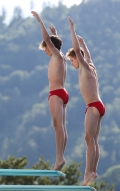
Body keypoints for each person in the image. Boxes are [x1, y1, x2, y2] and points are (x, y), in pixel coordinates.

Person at [66, 16, 105, 185]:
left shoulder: (83, 65)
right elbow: (86, 54)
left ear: (77, 57)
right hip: (98, 105)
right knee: (93, 140)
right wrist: (84, 44)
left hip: (93, 106)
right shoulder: (90, 64)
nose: (72, 62)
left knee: (89, 139)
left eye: (72, 59)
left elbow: (78, 50)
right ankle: (93, 171)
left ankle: (88, 172)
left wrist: (73, 30)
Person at [31, 11, 69, 171]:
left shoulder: (56, 56)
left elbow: (47, 41)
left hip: (56, 93)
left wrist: (40, 20)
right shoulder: (59, 56)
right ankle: (60, 157)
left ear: (51, 47)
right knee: (61, 126)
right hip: (61, 93)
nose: (45, 50)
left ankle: (59, 158)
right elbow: (56, 44)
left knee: (58, 126)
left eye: (46, 48)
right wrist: (56, 35)